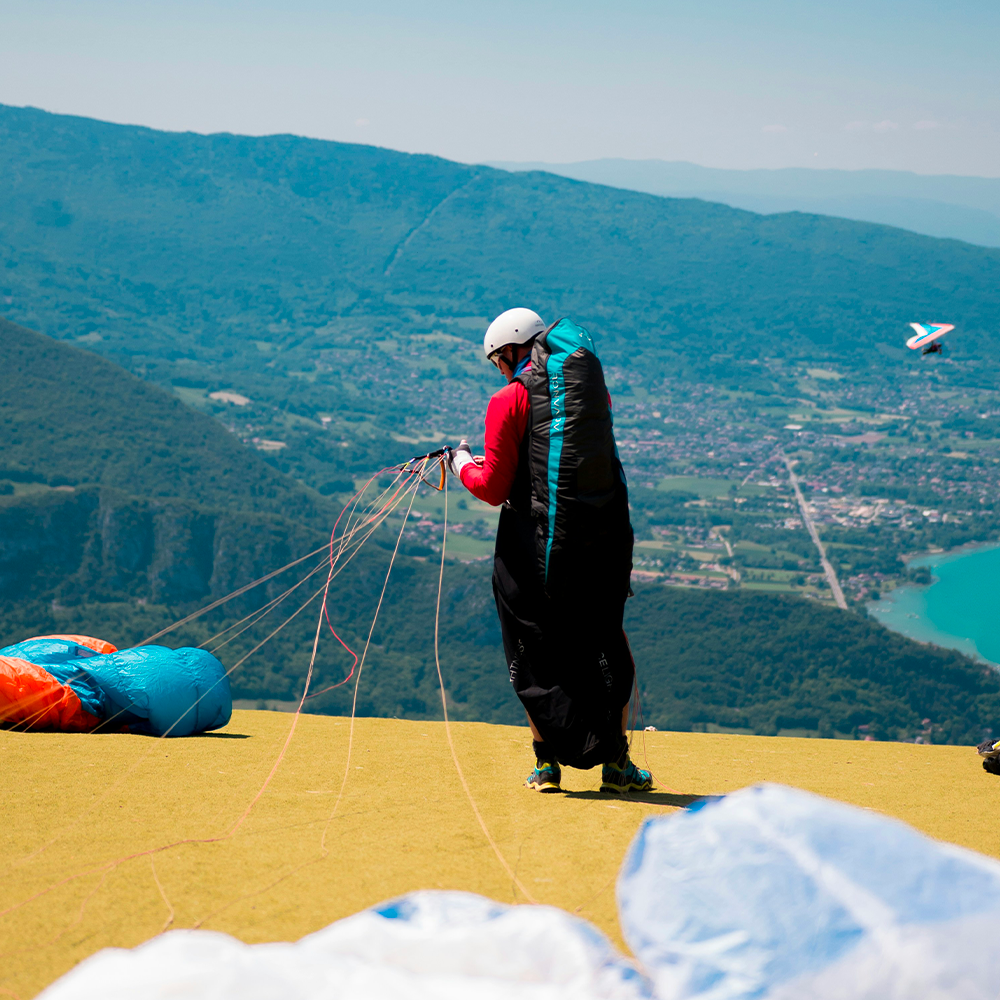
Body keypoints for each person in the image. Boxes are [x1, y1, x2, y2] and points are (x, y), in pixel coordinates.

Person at [448, 307, 653, 795]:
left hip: (529, 550)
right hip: (597, 542)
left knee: (533, 651)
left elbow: (495, 486)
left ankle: (545, 767)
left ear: (510, 353)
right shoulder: (589, 394)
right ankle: (618, 764)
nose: (499, 369)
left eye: (498, 360)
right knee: (605, 643)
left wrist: (460, 464)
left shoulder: (507, 401)